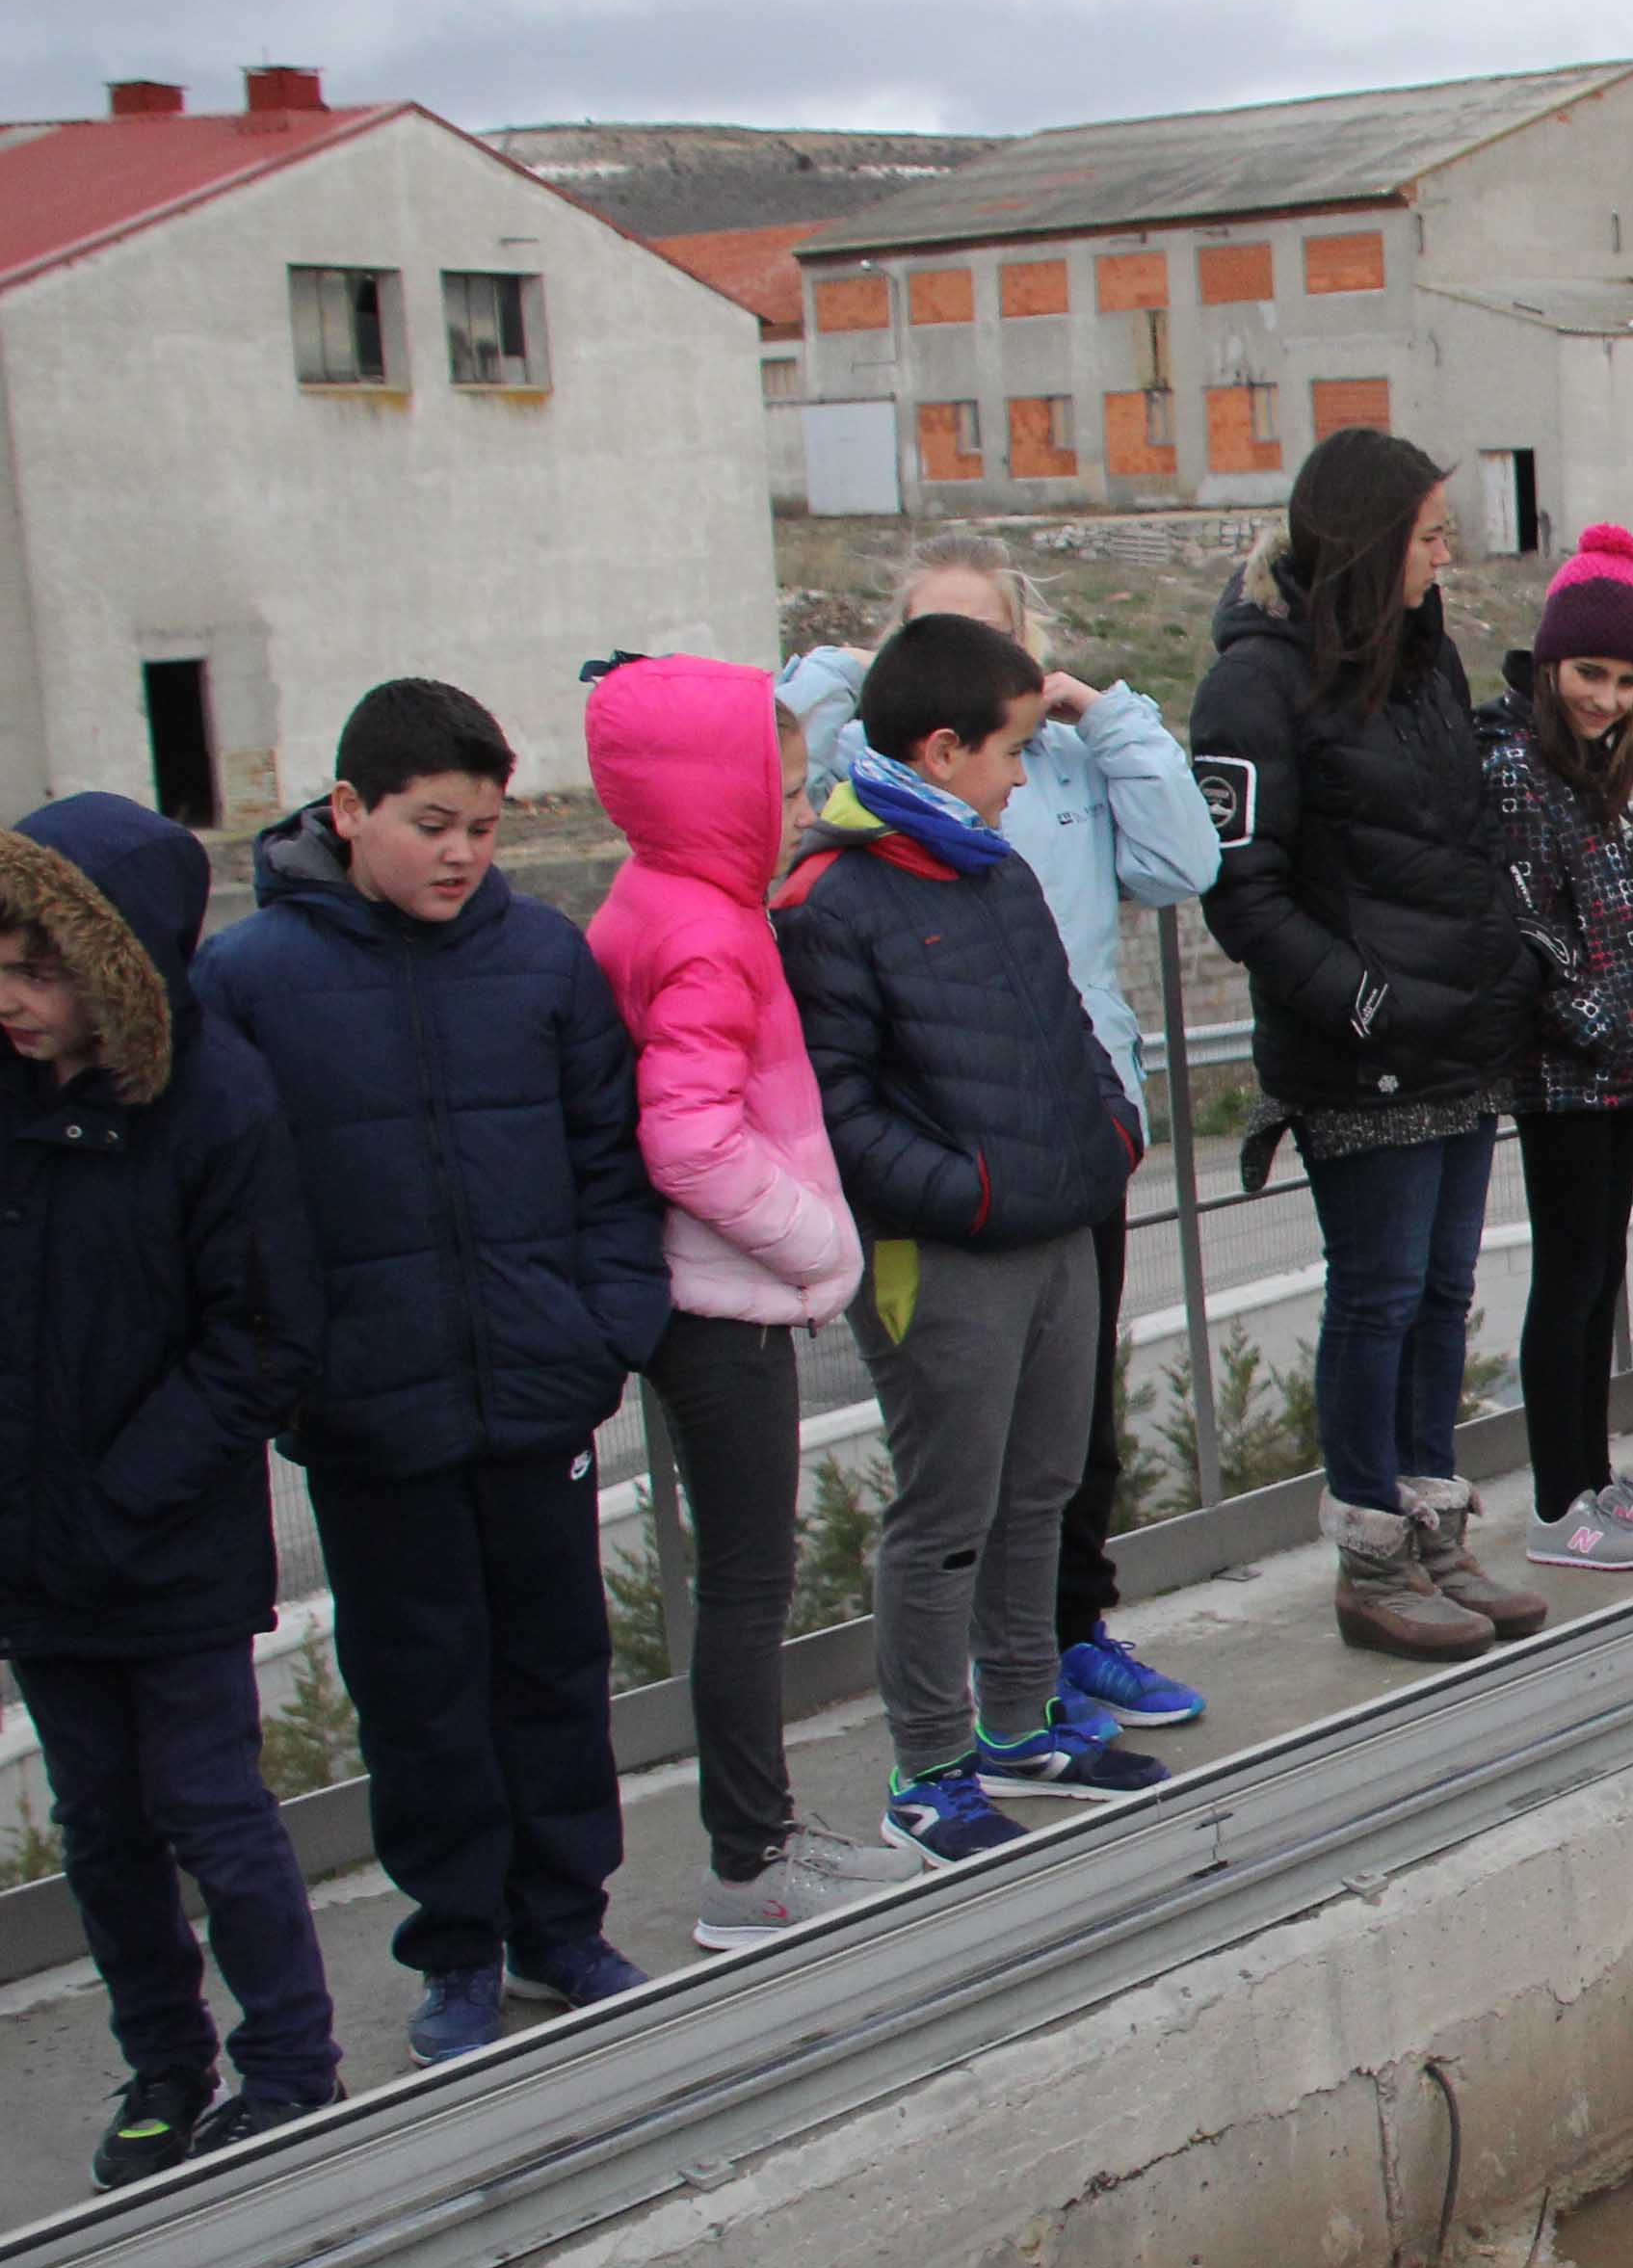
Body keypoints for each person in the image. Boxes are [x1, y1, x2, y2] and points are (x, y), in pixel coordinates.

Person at [193, 679, 667, 2064]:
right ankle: (455, 1948)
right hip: (369, 1416)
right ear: (347, 813)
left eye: (482, 826)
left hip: (534, 1391)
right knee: (421, 1688)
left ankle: (563, 1927)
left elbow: (607, 1163)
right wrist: (302, 1380)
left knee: (555, 1668)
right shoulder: (255, 982)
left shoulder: (542, 959)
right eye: (430, 823)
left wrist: (603, 1330)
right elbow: (228, 1213)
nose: (461, 853)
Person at [783, 534, 1219, 1731]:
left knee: (1059, 1457)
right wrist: (964, 1189)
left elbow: (1172, 878)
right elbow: (843, 1092)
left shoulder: (1027, 812)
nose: (1021, 773)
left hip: (1065, 1169)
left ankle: (1042, 1681)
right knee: (954, 1494)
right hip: (963, 1207)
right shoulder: (849, 874)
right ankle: (947, 1743)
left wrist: (1106, 1140)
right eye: (935, 639)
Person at [0, 797, 342, 2179]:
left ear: (118, 967)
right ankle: (162, 2068)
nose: (10, 1001)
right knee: (97, 1824)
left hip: (163, 1541)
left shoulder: (219, 1106)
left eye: (37, 972)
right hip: (32, 1550)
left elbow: (260, 1340)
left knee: (207, 1805)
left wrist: (112, 1497)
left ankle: (291, 2066)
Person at [1192, 429, 1550, 1661]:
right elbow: (1242, 891)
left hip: (1460, 1028)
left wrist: (1502, 965)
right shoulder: (1253, 684)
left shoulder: (1426, 652)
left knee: (1445, 1292)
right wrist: (1364, 1002)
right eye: (1429, 533)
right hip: (1363, 1046)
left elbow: (1460, 831)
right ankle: (1370, 1553)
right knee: (1380, 1294)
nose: (1446, 553)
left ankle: (1431, 1515)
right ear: (1364, 543)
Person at [583, 657, 924, 1949]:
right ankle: (753, 1862)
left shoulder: (654, 901)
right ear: (711, 795)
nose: (794, 810)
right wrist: (817, 1243)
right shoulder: (712, 935)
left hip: (696, 1283)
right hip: (721, 1294)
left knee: (736, 1580)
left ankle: (761, 1842)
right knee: (746, 1583)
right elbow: (690, 1141)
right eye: (778, 788)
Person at [1474, 526, 1633, 1575]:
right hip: (1565, 1070)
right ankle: (1556, 1500)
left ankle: (1591, 1476)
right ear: (1549, 662)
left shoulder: (1585, 767)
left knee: (1596, 1272)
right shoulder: (1521, 771)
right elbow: (1527, 931)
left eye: (1624, 680)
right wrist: (1598, 1022)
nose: (1606, 697)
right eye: (1589, 673)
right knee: (1569, 1281)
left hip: (1605, 1067)